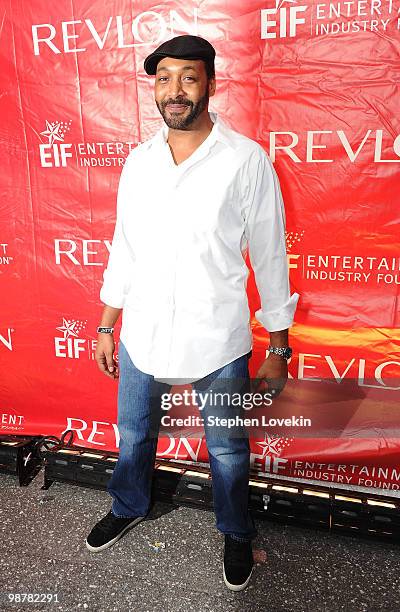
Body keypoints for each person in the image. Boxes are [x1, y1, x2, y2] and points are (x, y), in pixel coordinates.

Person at [85, 34, 300, 592]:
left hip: (218, 338)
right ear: (154, 89)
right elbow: (124, 248)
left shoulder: (245, 160)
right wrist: (108, 324)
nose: (174, 91)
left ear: (209, 83)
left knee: (227, 448)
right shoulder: (139, 163)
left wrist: (278, 347)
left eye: (187, 77)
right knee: (133, 434)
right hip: (144, 333)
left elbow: (271, 256)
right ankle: (129, 504)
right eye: (163, 79)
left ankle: (235, 530)